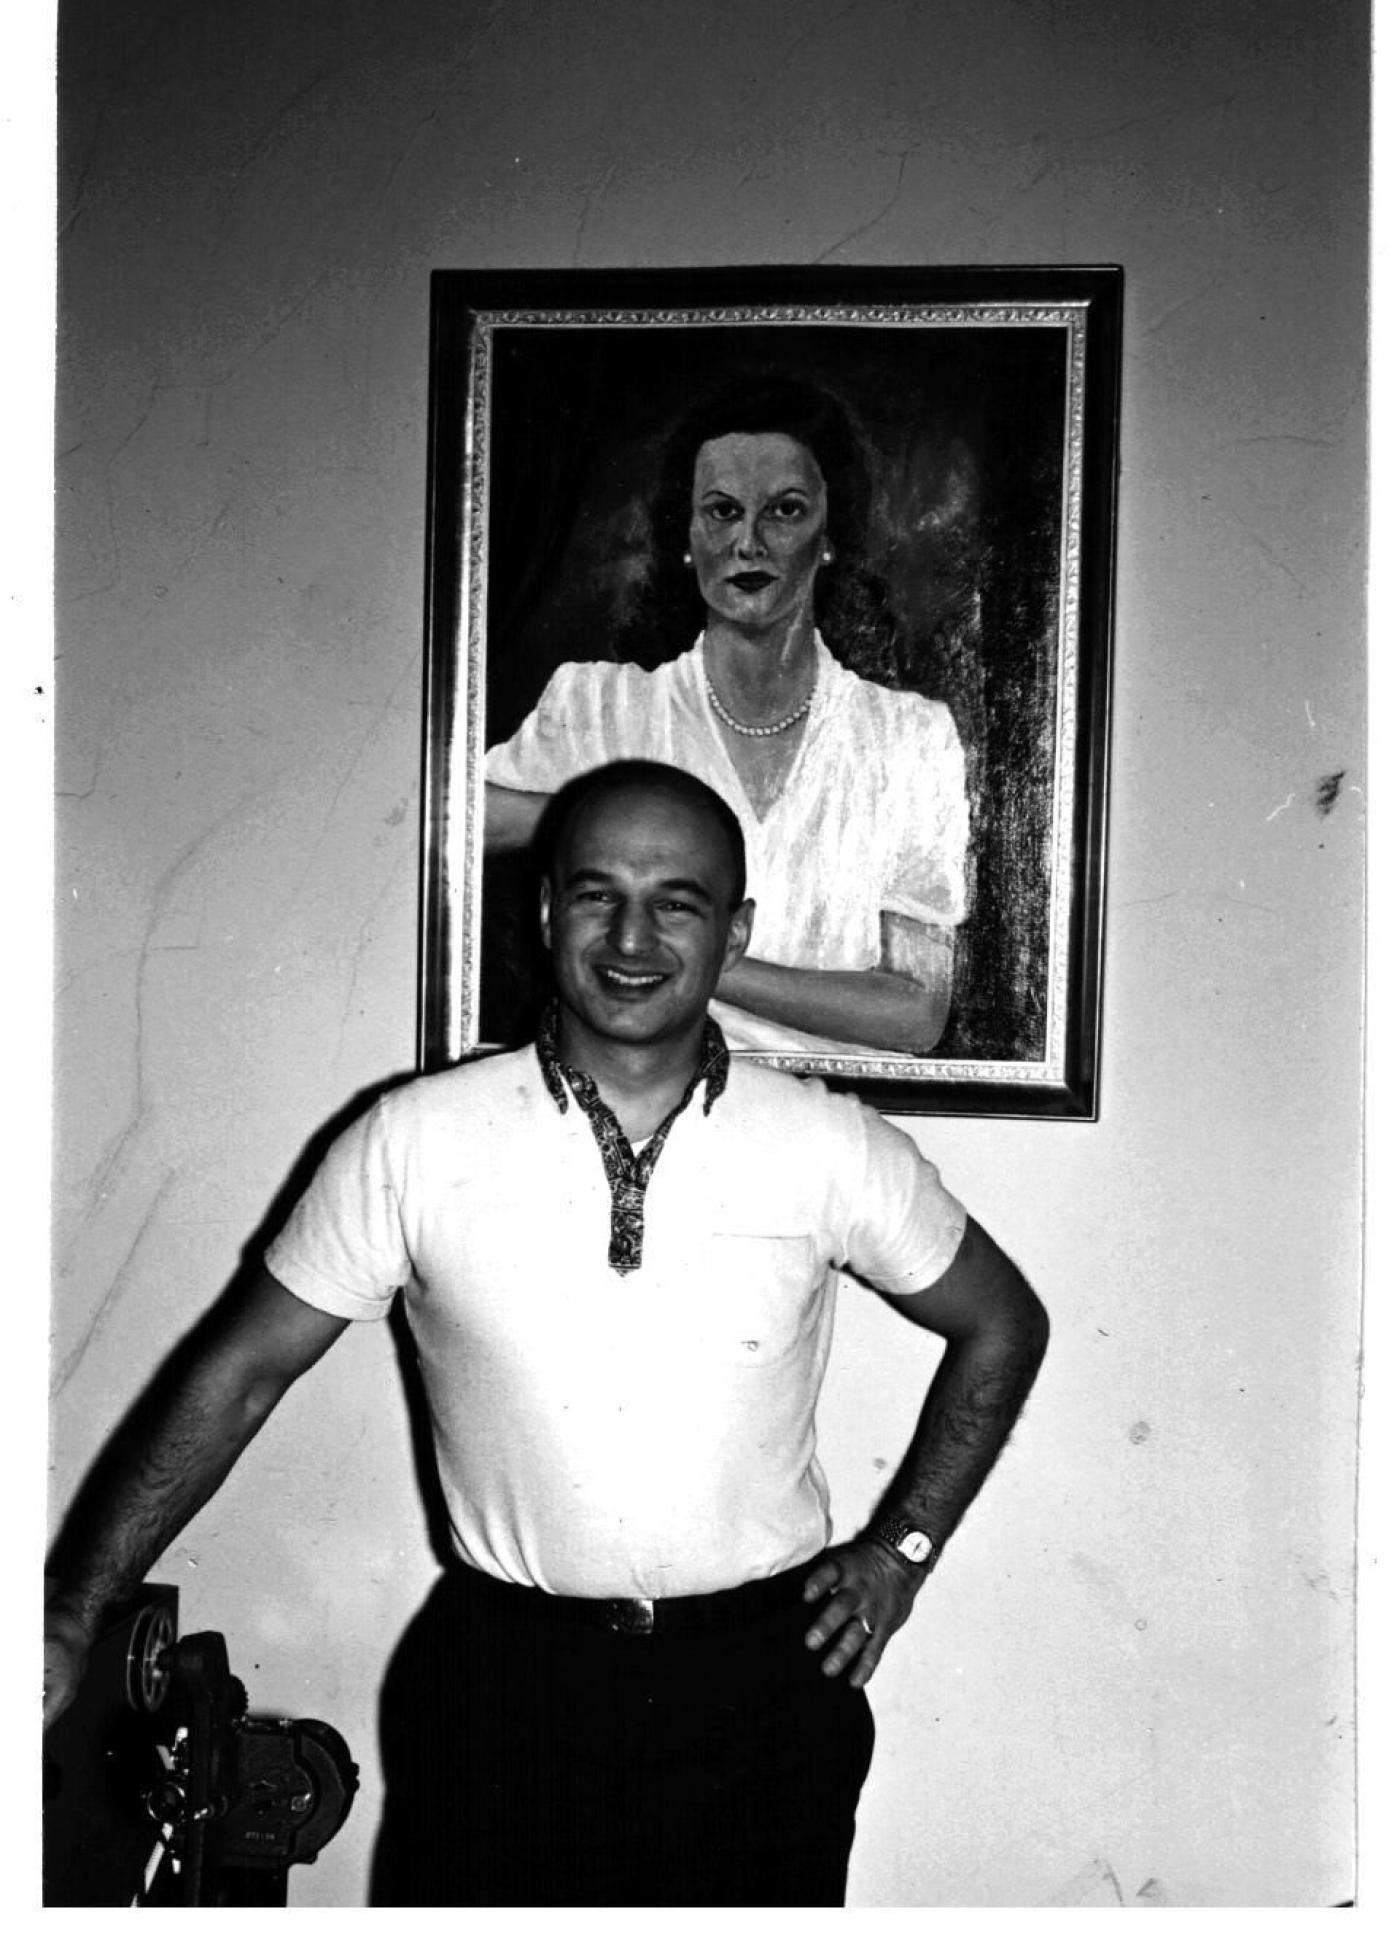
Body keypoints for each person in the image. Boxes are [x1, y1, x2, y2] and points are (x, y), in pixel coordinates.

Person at [45, 761, 1046, 1907]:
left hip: (764, 1694)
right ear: (542, 910)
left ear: (736, 928)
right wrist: (77, 1609)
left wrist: (901, 1551)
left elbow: (1001, 1324)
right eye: (595, 893)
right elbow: (240, 1375)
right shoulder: (410, 1142)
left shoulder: (830, 1146)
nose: (632, 934)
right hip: (500, 1687)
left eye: (677, 899)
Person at [484, 374, 970, 1057]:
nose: (749, 542)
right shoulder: (600, 705)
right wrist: (587, 818)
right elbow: (446, 827)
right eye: (721, 511)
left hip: (833, 1122)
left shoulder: (908, 738)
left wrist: (701, 959)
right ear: (683, 536)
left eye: (785, 510)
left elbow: (917, 1014)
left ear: (830, 535)